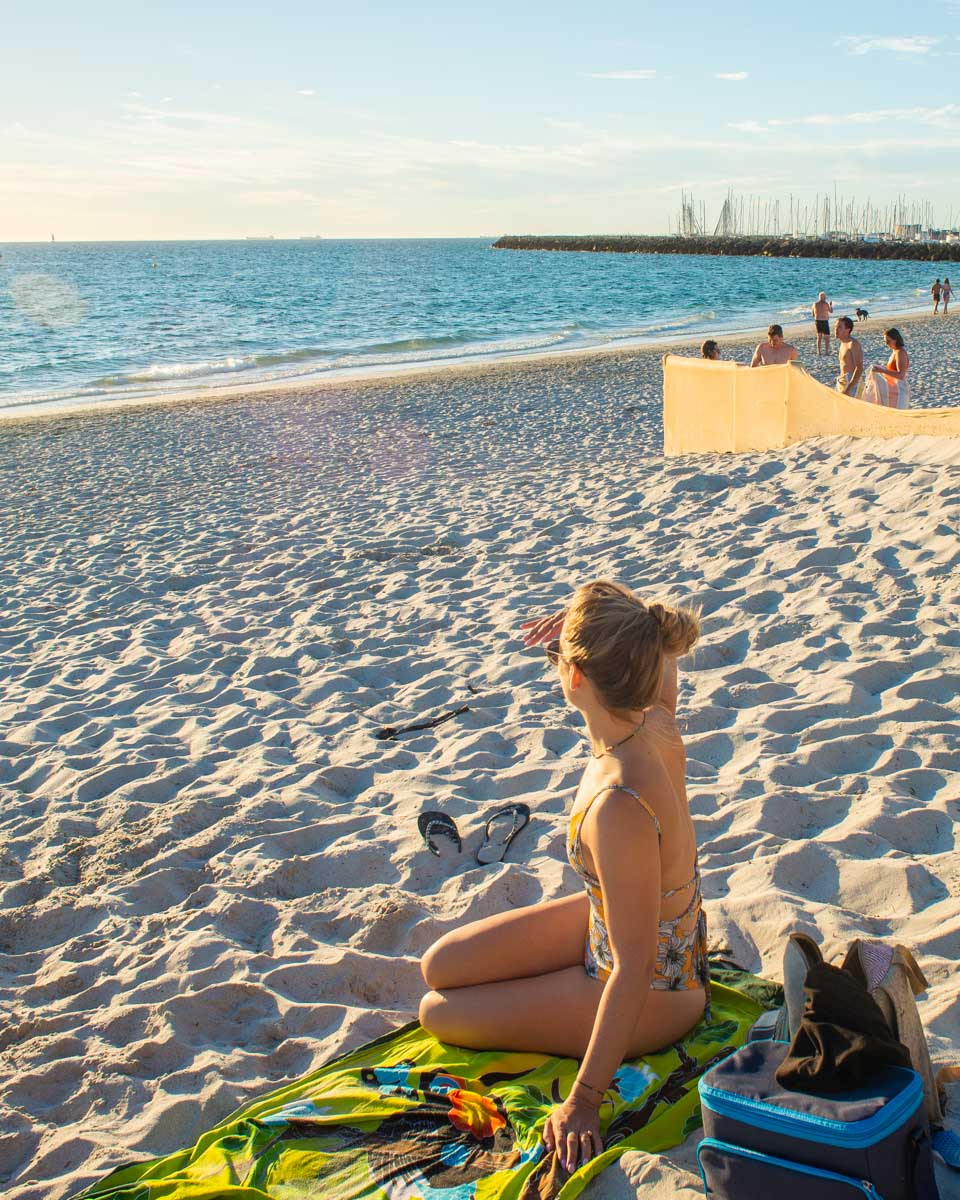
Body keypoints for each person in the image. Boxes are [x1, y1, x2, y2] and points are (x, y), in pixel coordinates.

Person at [419, 581, 708, 1176]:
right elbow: (657, 654)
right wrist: (597, 630)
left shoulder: (619, 806)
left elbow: (632, 968)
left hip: (657, 988)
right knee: (439, 967)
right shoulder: (655, 718)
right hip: (618, 921)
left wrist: (583, 1100)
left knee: (436, 1013)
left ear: (574, 676)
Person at [868, 328, 910, 409]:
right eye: (885, 342)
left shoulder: (900, 353)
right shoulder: (895, 352)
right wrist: (880, 369)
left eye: (888, 341)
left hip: (900, 390)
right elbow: (892, 370)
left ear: (895, 339)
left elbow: (901, 375)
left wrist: (883, 370)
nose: (887, 344)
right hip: (894, 389)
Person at [835, 316, 864, 397]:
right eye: (836, 327)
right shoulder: (842, 343)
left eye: (839, 327)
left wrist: (849, 388)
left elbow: (859, 368)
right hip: (842, 381)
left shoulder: (853, 344)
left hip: (851, 383)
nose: (836, 329)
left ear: (848, 330)